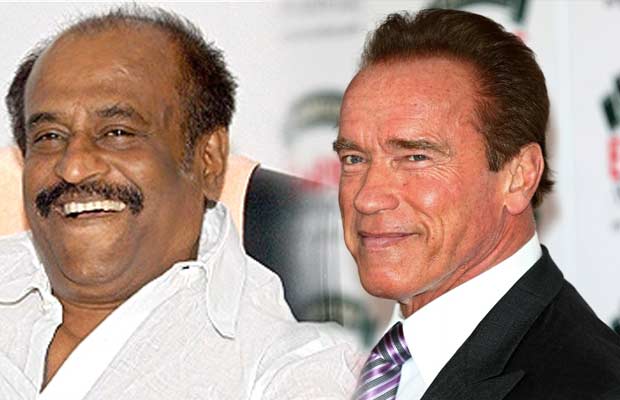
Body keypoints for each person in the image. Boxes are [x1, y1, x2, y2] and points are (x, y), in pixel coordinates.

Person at [0, 6, 359, 399]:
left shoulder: (284, 369)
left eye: (117, 132)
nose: (74, 167)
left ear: (208, 160)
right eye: (49, 136)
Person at [334, 8, 620, 400]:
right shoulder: (347, 367)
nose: (367, 197)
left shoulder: (592, 387)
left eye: (416, 157)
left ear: (519, 176)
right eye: (354, 159)